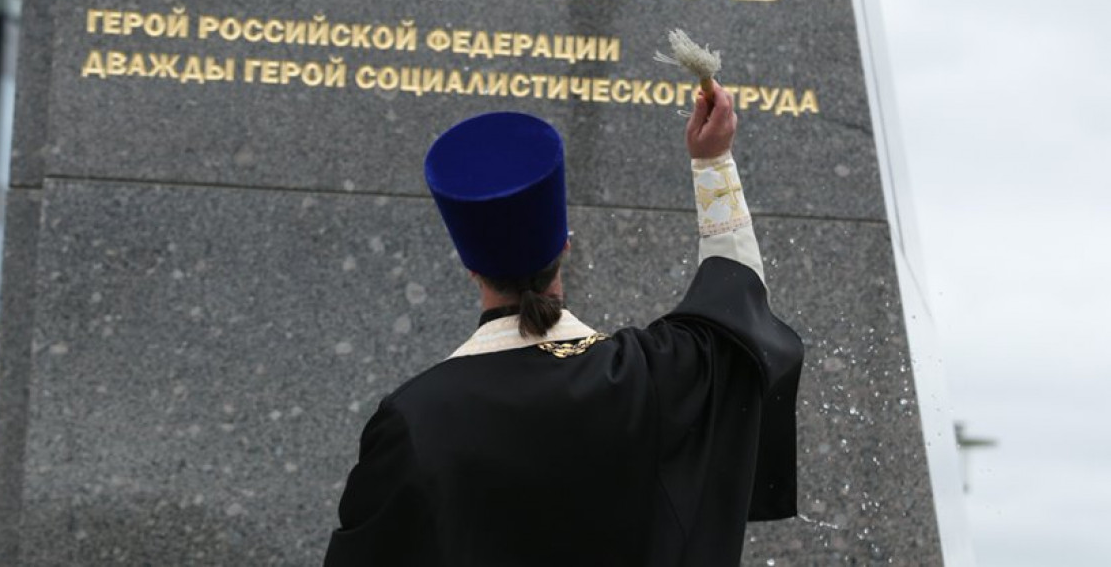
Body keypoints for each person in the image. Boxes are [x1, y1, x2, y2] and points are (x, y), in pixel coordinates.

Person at [323, 86, 804, 567]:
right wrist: (713, 161)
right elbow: (736, 304)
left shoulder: (415, 419)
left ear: (469, 266)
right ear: (565, 246)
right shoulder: (647, 379)